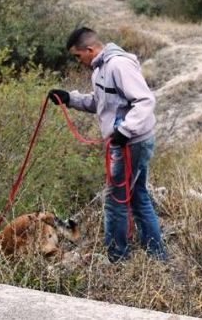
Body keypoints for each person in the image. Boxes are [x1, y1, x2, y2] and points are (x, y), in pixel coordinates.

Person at [48, 27, 167, 262]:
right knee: (137, 197)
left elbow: (145, 100)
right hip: (130, 141)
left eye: (77, 56)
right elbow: (100, 102)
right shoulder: (100, 69)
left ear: (90, 50)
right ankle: (157, 256)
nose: (78, 61)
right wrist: (70, 99)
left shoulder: (118, 65)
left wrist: (124, 130)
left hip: (131, 143)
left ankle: (117, 259)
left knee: (114, 201)